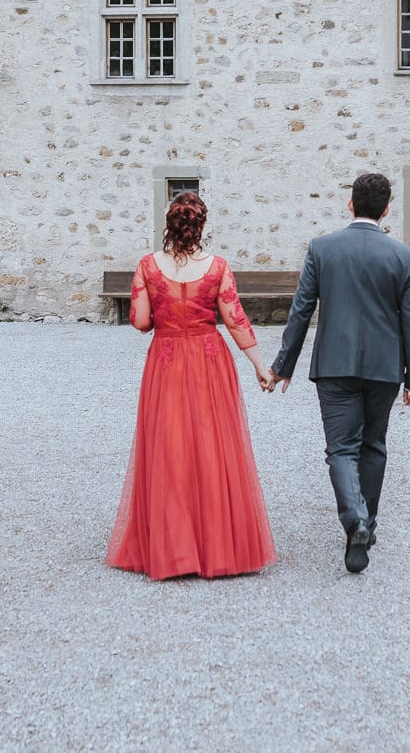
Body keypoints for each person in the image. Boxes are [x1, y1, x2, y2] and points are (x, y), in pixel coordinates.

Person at [106, 192, 277, 580]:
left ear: (170, 224)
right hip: (208, 359)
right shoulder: (218, 267)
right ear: (201, 226)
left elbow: (140, 322)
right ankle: (215, 543)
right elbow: (235, 321)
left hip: (166, 359)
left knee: (169, 448)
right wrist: (261, 367)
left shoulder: (148, 266)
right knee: (211, 446)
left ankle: (173, 546)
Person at [268, 172, 410, 574]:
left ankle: (354, 519)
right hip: (384, 366)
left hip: (334, 364)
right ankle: (365, 524)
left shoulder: (322, 249)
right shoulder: (402, 256)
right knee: (373, 445)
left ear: (351, 204)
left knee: (340, 448)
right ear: (387, 209)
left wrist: (283, 365)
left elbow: (301, 309)